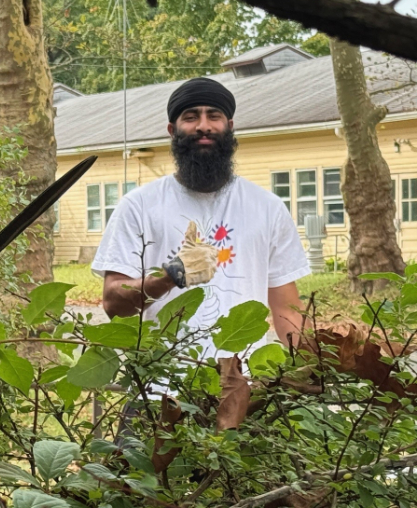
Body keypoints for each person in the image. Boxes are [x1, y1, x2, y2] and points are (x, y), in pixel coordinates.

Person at [91, 77, 310, 361]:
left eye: (214, 116)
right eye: (191, 117)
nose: (203, 126)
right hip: (160, 386)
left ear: (229, 127)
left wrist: (318, 369)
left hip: (245, 390)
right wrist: (170, 276)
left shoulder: (267, 207)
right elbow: (113, 304)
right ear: (173, 130)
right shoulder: (139, 206)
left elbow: (286, 311)